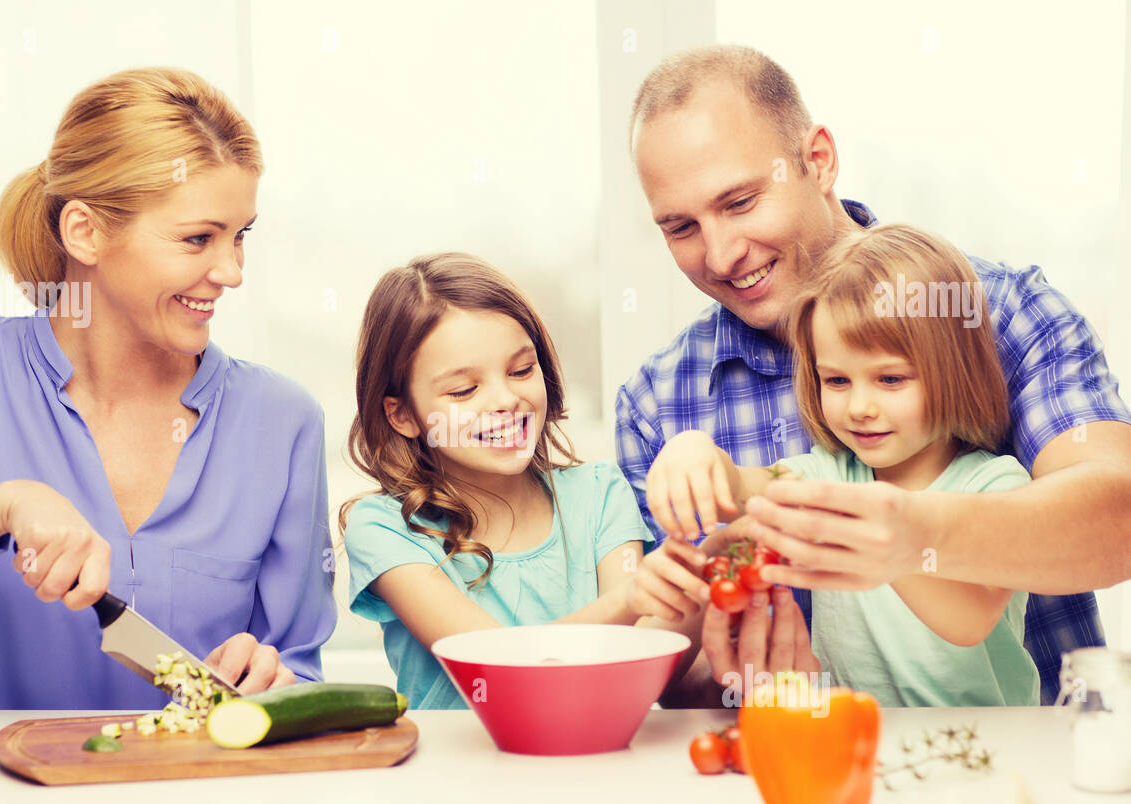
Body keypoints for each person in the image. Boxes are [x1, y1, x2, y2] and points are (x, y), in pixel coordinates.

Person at [617, 45, 1131, 704]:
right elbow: (662, 669)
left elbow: (1117, 517)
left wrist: (911, 534)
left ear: (819, 160)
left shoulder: (999, 311)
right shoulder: (657, 401)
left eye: (741, 202)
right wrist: (728, 672)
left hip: (1028, 770)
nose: (720, 254)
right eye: (681, 227)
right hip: (812, 763)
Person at [0, 68, 337, 709]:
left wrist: (275, 679)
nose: (231, 271)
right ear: (85, 232)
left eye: (241, 237)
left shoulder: (282, 422)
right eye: (197, 239)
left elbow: (300, 670)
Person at [642, 223, 1041, 706]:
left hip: (973, 748)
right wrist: (692, 450)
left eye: (890, 379)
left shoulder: (996, 484)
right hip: (855, 741)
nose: (859, 407)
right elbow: (737, 488)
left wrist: (881, 532)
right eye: (836, 381)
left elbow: (969, 619)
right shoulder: (828, 474)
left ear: (956, 371)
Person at [339, 252, 705, 709]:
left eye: (521, 371)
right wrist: (632, 598)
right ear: (402, 414)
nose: (506, 400)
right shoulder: (384, 529)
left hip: (594, 763)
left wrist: (703, 577)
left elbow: (635, 666)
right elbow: (499, 668)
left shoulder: (600, 494)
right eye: (463, 390)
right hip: (454, 777)